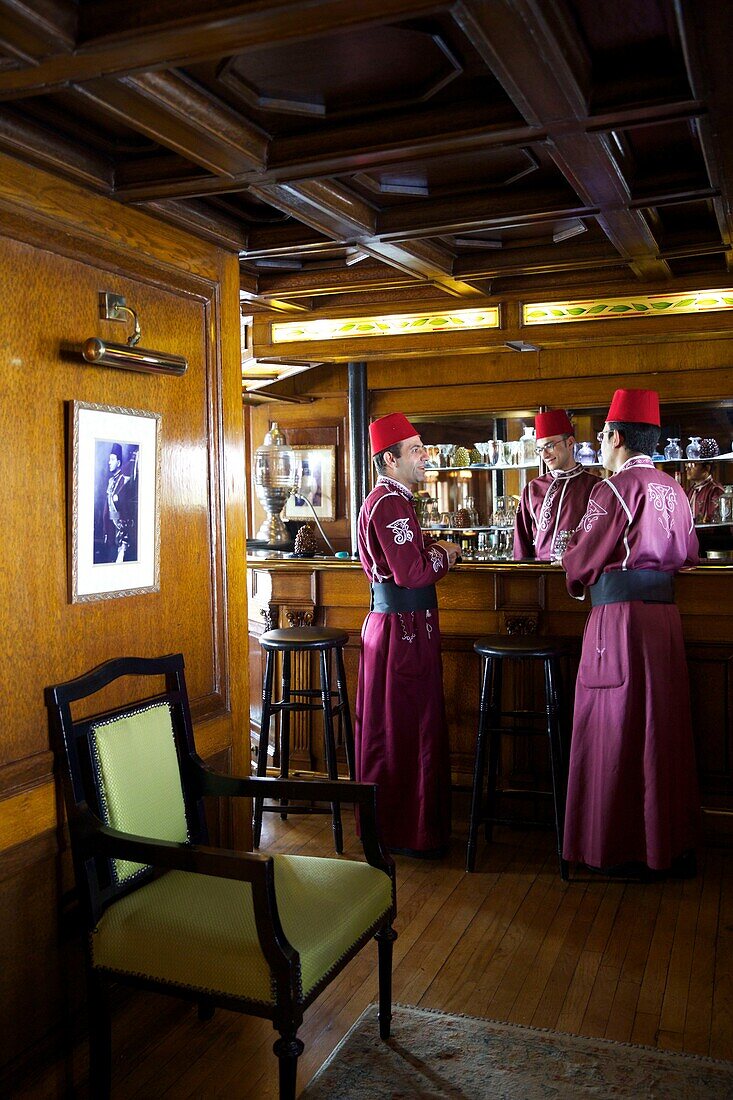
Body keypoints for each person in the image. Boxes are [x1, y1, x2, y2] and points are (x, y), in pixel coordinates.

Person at [561, 388, 700, 877]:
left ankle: (614, 847)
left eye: (601, 435)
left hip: (618, 621)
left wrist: (572, 560)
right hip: (664, 622)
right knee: (660, 730)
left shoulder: (613, 489)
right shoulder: (674, 488)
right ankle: (665, 843)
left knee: (612, 727)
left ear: (616, 436)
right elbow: (690, 554)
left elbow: (579, 557)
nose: (599, 444)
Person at [354, 412, 461, 857]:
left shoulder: (394, 501)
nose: (425, 456)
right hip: (401, 633)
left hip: (404, 630)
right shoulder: (388, 503)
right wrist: (446, 553)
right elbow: (413, 572)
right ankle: (404, 833)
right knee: (403, 731)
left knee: (401, 728)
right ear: (390, 460)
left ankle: (404, 830)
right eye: (415, 449)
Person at [513, 409, 598, 560]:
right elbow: (521, 544)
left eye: (550, 446)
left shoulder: (597, 487)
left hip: (584, 578)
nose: (544, 455)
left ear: (570, 442)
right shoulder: (532, 489)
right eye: (540, 449)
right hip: (541, 577)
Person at [102, 443, 135, 563]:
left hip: (122, 532)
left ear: (119, 463)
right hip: (111, 531)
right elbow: (107, 509)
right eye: (109, 459)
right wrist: (106, 530)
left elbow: (127, 509)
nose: (109, 462)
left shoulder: (124, 481)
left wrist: (125, 538)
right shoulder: (111, 481)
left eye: (112, 459)